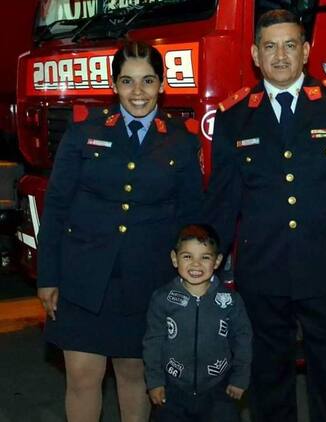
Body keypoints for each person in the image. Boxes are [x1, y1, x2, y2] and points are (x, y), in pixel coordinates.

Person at [204, 9, 326, 422]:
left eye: (289, 45)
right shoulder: (234, 117)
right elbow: (224, 198)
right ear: (255, 54)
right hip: (263, 269)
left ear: (306, 51)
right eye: (270, 47)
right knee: (268, 380)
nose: (280, 56)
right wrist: (207, 258)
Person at [37, 41, 203, 422]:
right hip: (83, 277)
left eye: (147, 81)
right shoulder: (83, 135)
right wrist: (49, 276)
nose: (138, 92)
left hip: (146, 281)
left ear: (162, 84)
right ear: (114, 85)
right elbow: (57, 207)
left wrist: (192, 283)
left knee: (134, 376)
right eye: (128, 81)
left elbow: (191, 218)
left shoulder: (180, 140)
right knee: (82, 377)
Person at [143, 224, 252, 422]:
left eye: (205, 257)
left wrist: (240, 378)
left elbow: (243, 341)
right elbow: (152, 343)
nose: (195, 264)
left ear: (217, 261)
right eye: (187, 256)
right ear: (175, 259)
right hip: (173, 387)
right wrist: (155, 381)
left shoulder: (230, 301)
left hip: (219, 387)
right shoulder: (162, 298)